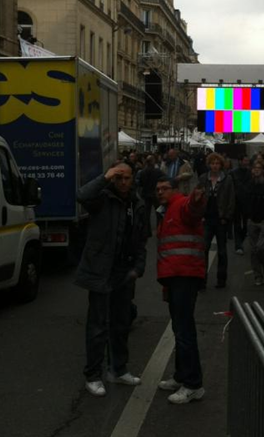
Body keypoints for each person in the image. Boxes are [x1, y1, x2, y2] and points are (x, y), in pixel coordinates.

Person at [75, 162, 147, 397]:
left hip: (124, 273)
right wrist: (105, 177)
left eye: (127, 178)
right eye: (119, 178)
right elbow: (82, 195)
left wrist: (139, 266)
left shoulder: (136, 203)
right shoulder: (102, 199)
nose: (124, 182)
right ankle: (93, 375)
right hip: (101, 270)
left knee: (121, 324)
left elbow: (141, 238)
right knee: (97, 326)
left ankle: (118, 369)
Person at [155, 176, 207, 404]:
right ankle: (181, 376)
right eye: (157, 189)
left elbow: (192, 210)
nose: (160, 192)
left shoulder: (180, 204)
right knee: (179, 329)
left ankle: (193, 384)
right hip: (176, 276)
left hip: (185, 276)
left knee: (184, 331)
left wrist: (196, 200)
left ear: (174, 190)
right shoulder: (166, 210)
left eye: (164, 188)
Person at [198, 153, 235, 287]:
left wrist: (226, 217)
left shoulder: (227, 179)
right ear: (209, 164)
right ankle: (202, 279)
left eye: (217, 163)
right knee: (203, 250)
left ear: (221, 165)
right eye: (212, 163)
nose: (215, 166)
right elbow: (198, 196)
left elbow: (231, 199)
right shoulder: (203, 178)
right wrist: (200, 214)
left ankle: (221, 279)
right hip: (207, 219)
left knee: (222, 251)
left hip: (221, 219)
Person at [230, 155, 252, 254]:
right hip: (237, 201)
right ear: (240, 161)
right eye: (245, 160)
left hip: (247, 201)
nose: (246, 162)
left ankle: (240, 241)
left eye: (247, 161)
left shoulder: (250, 173)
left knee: (246, 225)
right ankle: (238, 245)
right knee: (237, 224)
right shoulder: (233, 173)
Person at [139, 154, 162, 237]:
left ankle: (147, 231)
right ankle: (159, 230)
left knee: (146, 214)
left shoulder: (142, 172)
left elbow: (140, 184)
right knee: (159, 213)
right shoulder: (157, 171)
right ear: (153, 162)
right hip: (155, 194)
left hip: (146, 194)